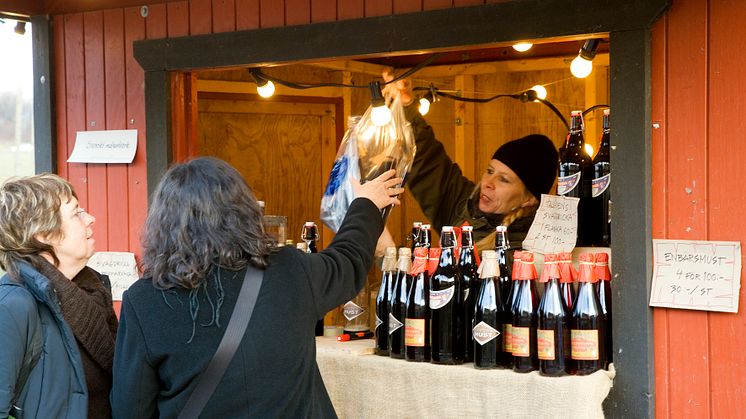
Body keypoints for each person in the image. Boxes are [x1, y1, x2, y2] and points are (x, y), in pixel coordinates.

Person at [111, 157, 402, 418]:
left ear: (162, 223)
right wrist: (366, 204)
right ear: (244, 210)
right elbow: (348, 260)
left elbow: (130, 409)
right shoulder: (290, 271)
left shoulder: (144, 301)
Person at [381, 72, 559, 254]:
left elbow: (455, 280)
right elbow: (427, 162)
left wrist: (387, 254)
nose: (488, 183)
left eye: (504, 180)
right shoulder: (465, 204)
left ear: (529, 199)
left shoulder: (526, 248)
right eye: (490, 171)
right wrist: (405, 107)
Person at [0, 174, 118, 419]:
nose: (90, 218)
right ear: (44, 234)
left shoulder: (94, 291)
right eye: (77, 213)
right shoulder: (13, 305)